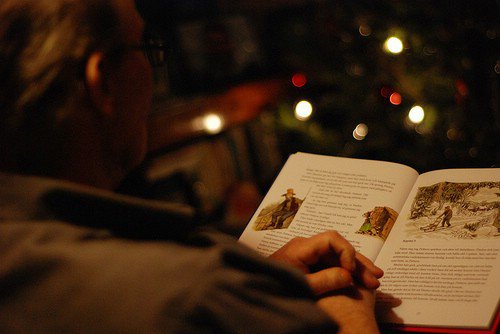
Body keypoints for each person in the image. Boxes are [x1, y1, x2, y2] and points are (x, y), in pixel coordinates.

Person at [0, 0, 383, 333]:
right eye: (145, 48)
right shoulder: (195, 295)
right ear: (102, 84)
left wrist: (258, 282)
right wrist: (347, 317)